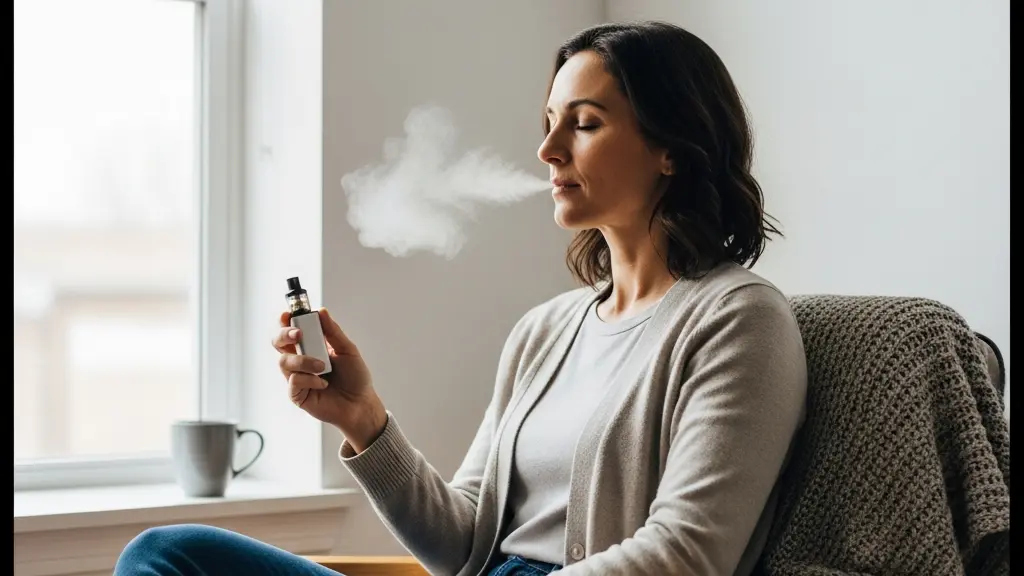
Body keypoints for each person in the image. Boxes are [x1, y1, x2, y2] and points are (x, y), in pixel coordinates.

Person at [115, 20, 807, 576]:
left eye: (585, 124)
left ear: (672, 149)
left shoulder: (738, 321)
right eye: (549, 121)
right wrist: (364, 419)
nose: (548, 149)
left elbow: (687, 554)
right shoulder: (545, 331)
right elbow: (461, 548)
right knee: (168, 553)